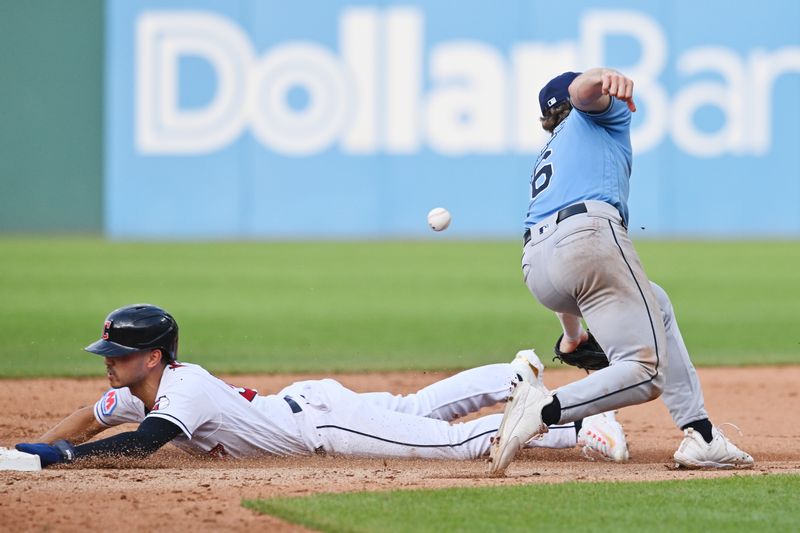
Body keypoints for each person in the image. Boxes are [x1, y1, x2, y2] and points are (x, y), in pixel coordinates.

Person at [489, 68, 753, 475]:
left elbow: (565, 266)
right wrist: (600, 77)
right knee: (645, 371)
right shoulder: (594, 117)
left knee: (656, 302)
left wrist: (574, 336)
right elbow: (583, 93)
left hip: (537, 266)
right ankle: (544, 409)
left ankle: (701, 435)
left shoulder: (550, 154)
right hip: (587, 238)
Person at [16, 304, 628, 467]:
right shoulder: (138, 389)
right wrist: (28, 451)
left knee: (455, 444)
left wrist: (63, 462)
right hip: (310, 401)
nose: (108, 364)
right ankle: (512, 376)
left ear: (152, 358)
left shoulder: (185, 389)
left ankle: (576, 425)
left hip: (321, 426)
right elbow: (88, 419)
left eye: (118, 356)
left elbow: (139, 444)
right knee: (416, 409)